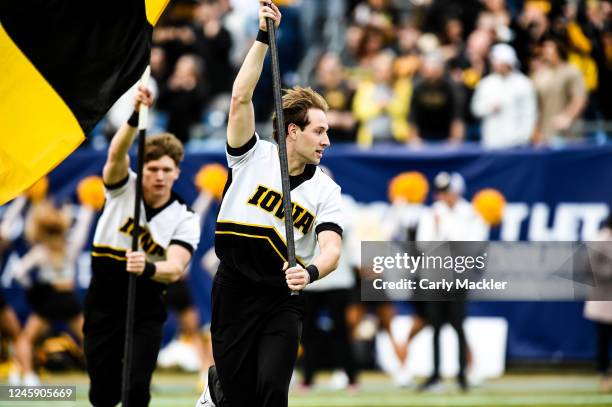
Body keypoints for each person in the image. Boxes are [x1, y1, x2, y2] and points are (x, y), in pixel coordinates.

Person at [196, 2, 343, 406]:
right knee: (240, 395)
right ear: (292, 131)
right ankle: (218, 388)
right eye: (319, 131)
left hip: (282, 295)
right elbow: (241, 97)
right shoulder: (251, 155)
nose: (326, 140)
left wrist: (309, 272)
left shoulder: (325, 190)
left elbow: (331, 250)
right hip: (233, 288)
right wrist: (264, 35)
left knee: (272, 392)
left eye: (328, 131)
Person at [83, 87, 200, 406]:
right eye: (152, 169)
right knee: (103, 390)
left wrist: (147, 266)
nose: (159, 176)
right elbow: (115, 155)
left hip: (146, 301)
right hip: (105, 296)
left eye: (166, 170)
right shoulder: (124, 189)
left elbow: (175, 267)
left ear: (177, 172)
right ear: (142, 169)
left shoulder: (184, 218)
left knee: (136, 387)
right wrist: (136, 116)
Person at [13, 201, 94, 386]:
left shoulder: (40, 251)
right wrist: (89, 207)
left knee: (26, 339)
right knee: (88, 338)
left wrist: (32, 288)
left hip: (49, 299)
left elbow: (19, 273)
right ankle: (99, 374)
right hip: (66, 297)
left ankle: (27, 375)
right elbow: (82, 227)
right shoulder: (70, 246)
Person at [471, 43, 537, 149]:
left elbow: (530, 113)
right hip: (491, 142)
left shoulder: (523, 83)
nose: (495, 64)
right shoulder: (486, 83)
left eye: (499, 61)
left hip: (516, 143)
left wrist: (525, 137)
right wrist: (488, 108)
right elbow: (475, 108)